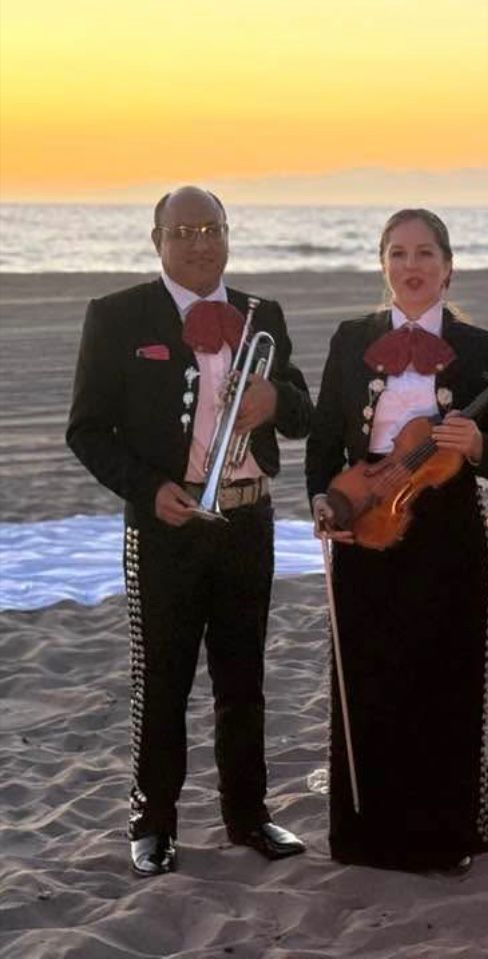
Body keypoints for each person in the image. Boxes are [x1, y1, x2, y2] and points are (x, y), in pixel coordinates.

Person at [66, 186, 314, 877]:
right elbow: (85, 429)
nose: (200, 242)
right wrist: (148, 490)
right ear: (157, 241)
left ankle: (249, 813)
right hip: (165, 524)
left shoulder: (264, 314)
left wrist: (277, 400)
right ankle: (153, 821)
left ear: (229, 233)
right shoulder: (117, 316)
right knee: (163, 678)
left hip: (247, 516)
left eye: (212, 228)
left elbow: (301, 413)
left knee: (244, 678)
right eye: (184, 231)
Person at [306, 208, 488, 872]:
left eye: (424, 253)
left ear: (448, 267)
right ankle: (367, 836)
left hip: (448, 528)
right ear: (383, 265)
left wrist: (478, 441)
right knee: (368, 678)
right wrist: (326, 499)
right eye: (397, 253)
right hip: (364, 519)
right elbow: (322, 442)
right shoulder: (351, 338)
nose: (411, 266)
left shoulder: (483, 346)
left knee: (443, 679)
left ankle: (442, 834)